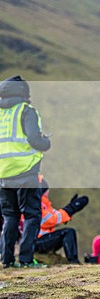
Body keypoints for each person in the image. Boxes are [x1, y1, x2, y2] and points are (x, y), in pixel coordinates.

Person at [0, 75, 52, 268]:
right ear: (23, 93)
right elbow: (35, 140)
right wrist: (46, 142)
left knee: (10, 216)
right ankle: (26, 260)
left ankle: (6, 260)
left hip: (3, 174)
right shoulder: (26, 111)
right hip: (25, 172)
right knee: (31, 215)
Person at [33, 175, 89, 264]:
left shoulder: (41, 202)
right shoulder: (39, 203)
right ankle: (73, 262)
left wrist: (70, 209)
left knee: (67, 232)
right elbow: (50, 221)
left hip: (35, 240)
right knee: (68, 232)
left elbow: (55, 215)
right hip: (37, 242)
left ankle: (72, 261)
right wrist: (71, 209)